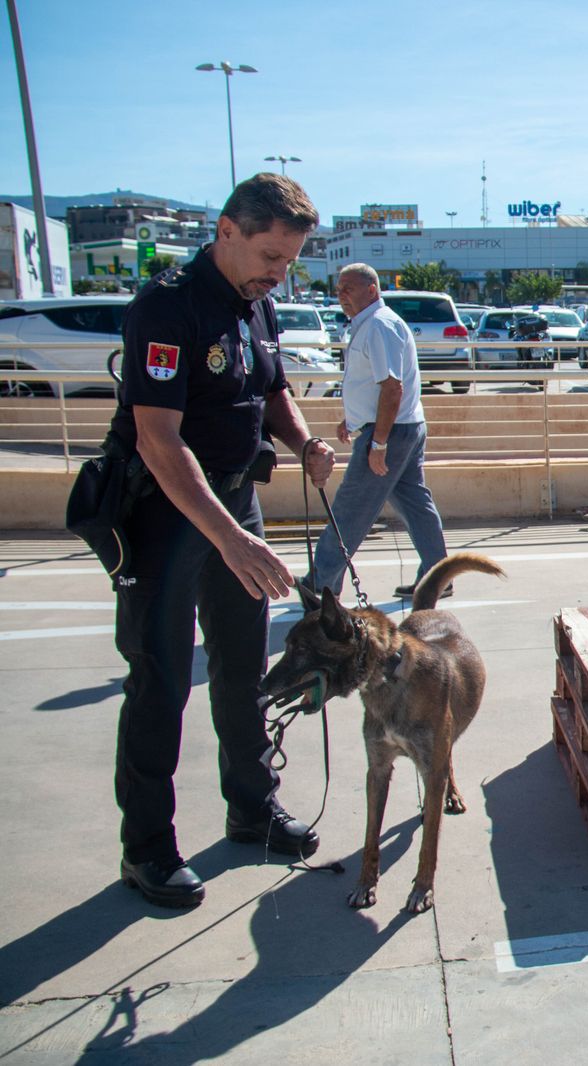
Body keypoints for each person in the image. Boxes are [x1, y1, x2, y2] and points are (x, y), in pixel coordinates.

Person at [106, 174, 338, 907]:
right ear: (227, 230)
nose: (280, 272)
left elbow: (271, 392)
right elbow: (158, 439)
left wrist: (301, 444)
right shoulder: (168, 306)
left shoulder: (256, 302)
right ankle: (147, 848)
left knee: (243, 668)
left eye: (291, 260)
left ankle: (251, 808)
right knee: (162, 680)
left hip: (235, 498)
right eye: (271, 254)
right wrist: (233, 541)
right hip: (165, 515)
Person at [303, 263, 448, 600]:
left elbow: (392, 388)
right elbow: (374, 385)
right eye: (338, 289)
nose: (341, 296)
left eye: (348, 288)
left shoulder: (379, 326)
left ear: (371, 290)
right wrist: (353, 420)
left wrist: (378, 442)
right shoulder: (371, 324)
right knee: (414, 503)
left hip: (391, 432)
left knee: (350, 509)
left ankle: (320, 583)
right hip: (399, 427)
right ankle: (437, 575)